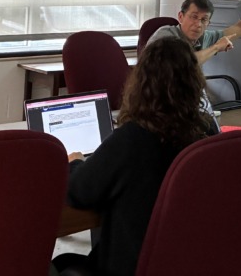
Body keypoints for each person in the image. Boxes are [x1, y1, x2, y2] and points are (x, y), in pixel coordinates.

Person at [53, 36, 217, 276]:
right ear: (194, 82)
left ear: (142, 82)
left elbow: (78, 192)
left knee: (59, 264)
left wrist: (75, 163)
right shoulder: (206, 133)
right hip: (181, 263)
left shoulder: (131, 139)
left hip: (130, 266)